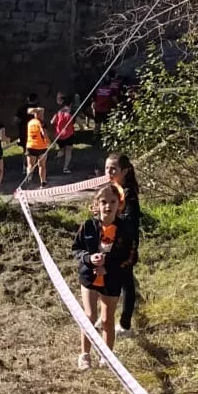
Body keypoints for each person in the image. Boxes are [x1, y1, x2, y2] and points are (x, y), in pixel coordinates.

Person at [72, 182, 137, 368]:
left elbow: (131, 257)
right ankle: (85, 354)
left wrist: (108, 268)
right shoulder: (88, 226)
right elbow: (76, 248)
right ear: (96, 205)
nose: (108, 206)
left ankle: (106, 356)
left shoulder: (126, 229)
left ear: (119, 205)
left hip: (112, 278)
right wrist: (88, 258)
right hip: (89, 277)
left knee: (108, 320)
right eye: (103, 202)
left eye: (112, 202)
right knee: (90, 316)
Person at [105, 151, 142, 332]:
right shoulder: (114, 187)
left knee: (126, 282)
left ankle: (125, 325)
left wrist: (114, 219)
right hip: (112, 241)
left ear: (125, 171)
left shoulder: (129, 193)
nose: (109, 173)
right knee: (112, 279)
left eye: (113, 169)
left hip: (127, 245)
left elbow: (131, 221)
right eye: (107, 169)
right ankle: (106, 316)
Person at [24, 105, 51, 187]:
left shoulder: (30, 122)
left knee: (30, 165)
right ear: (39, 114)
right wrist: (49, 142)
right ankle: (43, 182)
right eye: (42, 114)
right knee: (42, 165)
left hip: (30, 145)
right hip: (41, 147)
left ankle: (29, 177)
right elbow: (44, 133)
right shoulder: (41, 123)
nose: (43, 115)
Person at [51, 94, 77, 174]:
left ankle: (58, 156)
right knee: (68, 151)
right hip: (69, 134)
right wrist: (82, 128)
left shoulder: (59, 112)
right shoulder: (71, 112)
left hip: (59, 135)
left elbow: (52, 122)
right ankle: (65, 168)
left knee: (62, 149)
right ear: (71, 104)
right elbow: (79, 122)